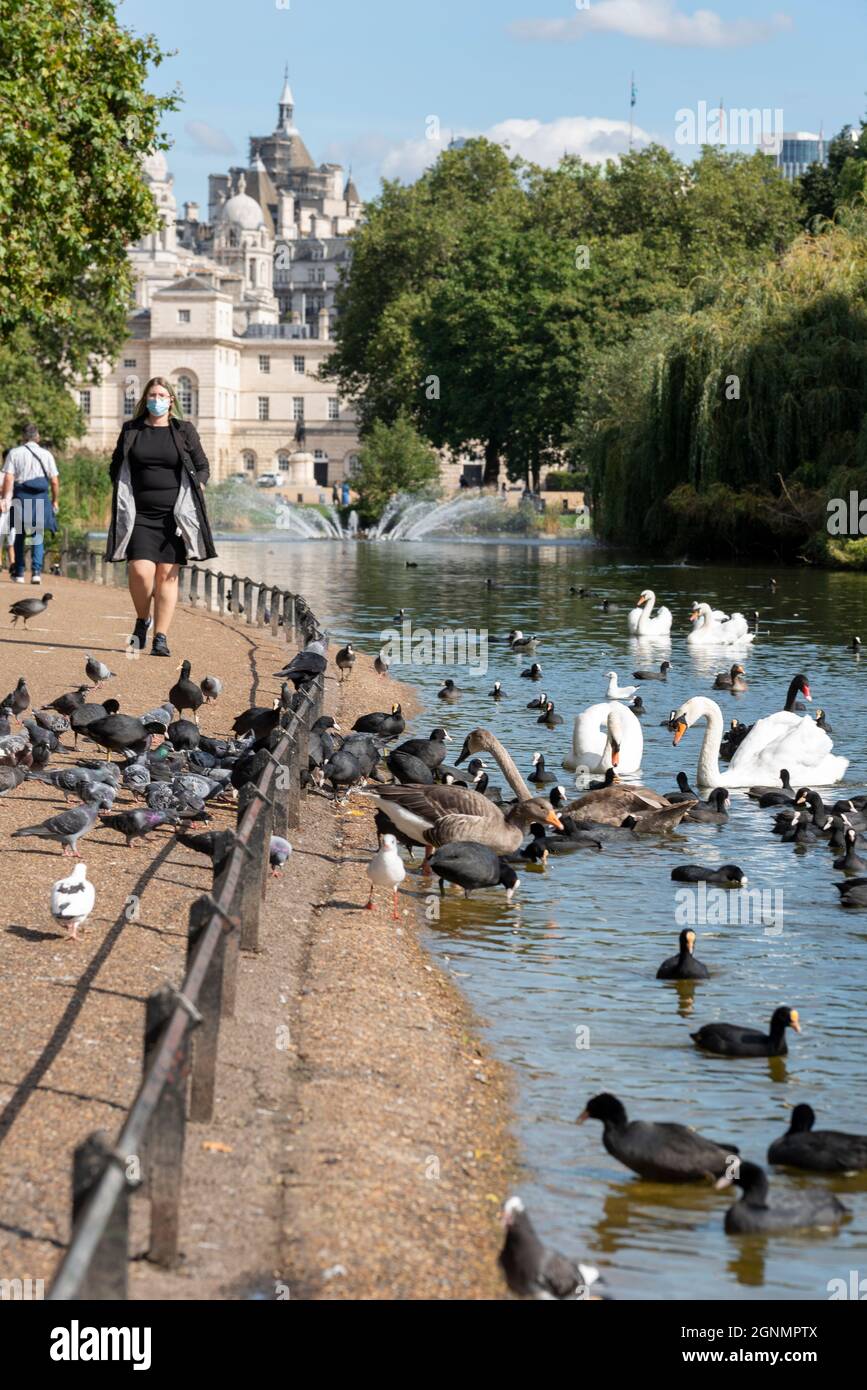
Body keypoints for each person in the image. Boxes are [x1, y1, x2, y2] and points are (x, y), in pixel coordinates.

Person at [105, 377, 217, 656]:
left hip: (175, 516)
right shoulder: (132, 429)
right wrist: (120, 488)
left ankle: (161, 637)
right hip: (139, 514)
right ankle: (143, 619)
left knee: (167, 575)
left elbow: (203, 466)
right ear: (146, 398)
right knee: (140, 572)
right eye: (152, 394)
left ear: (171, 400)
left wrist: (198, 485)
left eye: (162, 395)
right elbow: (116, 465)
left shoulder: (183, 430)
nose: (157, 399)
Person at [0, 424, 59, 584]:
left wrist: (5, 499)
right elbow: (54, 481)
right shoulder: (46, 454)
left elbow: (9, 478)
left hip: (20, 498)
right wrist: (55, 500)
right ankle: (36, 573)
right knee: (37, 536)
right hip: (39, 498)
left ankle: (19, 573)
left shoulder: (14, 453)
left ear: (23, 437)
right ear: (37, 437)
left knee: (19, 535)